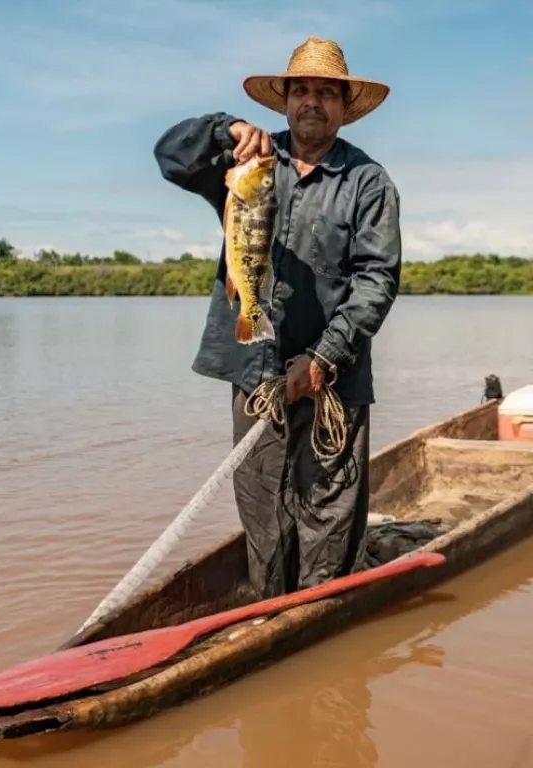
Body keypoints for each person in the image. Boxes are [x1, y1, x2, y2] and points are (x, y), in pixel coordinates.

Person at [152, 36, 402, 600]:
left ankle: (318, 617)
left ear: (343, 106)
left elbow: (376, 280)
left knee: (328, 507)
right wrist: (224, 131)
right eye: (302, 91)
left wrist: (323, 357)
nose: (312, 102)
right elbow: (169, 157)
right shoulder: (247, 164)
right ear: (285, 101)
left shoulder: (368, 182)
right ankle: (270, 608)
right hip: (254, 368)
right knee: (263, 500)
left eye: (325, 93)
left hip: (332, 376)